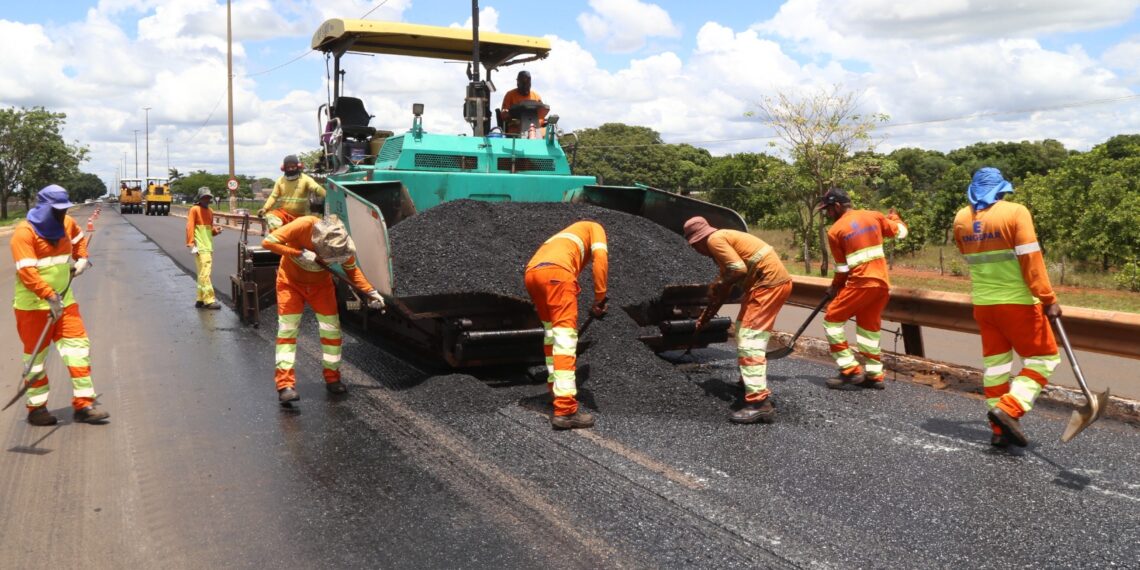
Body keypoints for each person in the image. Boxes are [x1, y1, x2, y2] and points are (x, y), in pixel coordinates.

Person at [953, 167, 1061, 448]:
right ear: (1001, 189)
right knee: (1044, 359)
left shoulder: (961, 217)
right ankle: (1011, 409)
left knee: (996, 367)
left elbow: (966, 254)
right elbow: (1030, 259)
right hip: (1018, 303)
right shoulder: (1016, 212)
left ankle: (998, 431)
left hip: (984, 305)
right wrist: (1048, 298)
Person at [10, 185, 108, 426]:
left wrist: (83, 259)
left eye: (64, 210)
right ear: (43, 208)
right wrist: (48, 296)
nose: (61, 215)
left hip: (65, 303)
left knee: (78, 350)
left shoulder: (67, 224)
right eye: (56, 210)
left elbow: (78, 240)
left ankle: (84, 405)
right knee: (36, 360)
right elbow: (27, 272)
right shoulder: (24, 232)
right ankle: (36, 409)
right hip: (32, 308)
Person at [261, 214, 385, 403]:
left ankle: (333, 378)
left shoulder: (341, 244)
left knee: (332, 331)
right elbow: (268, 242)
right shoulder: (304, 225)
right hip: (290, 284)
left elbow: (352, 271)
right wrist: (298, 253)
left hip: (321, 287)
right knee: (287, 331)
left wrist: (371, 292)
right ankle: (285, 385)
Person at [683, 216, 793, 424]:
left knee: (750, 340)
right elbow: (724, 290)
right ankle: (748, 382)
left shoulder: (715, 240)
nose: (697, 252)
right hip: (767, 284)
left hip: (768, 284)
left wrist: (718, 284)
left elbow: (737, 271)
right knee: (745, 329)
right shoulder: (724, 242)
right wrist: (706, 316)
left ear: (697, 241)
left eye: (694, 247)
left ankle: (759, 403)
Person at [816, 187, 908, 390]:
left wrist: (834, 288)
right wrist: (895, 218)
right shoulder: (874, 216)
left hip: (860, 283)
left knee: (831, 321)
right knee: (869, 329)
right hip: (881, 285)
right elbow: (901, 233)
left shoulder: (835, 231)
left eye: (828, 210)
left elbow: (842, 269)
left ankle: (849, 370)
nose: (828, 214)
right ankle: (874, 374)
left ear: (838, 206)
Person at [524, 220, 608, 430]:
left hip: (533, 275)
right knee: (565, 341)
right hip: (557, 276)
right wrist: (600, 297)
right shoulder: (595, 228)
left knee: (552, 336)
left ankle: (556, 391)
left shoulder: (565, 237)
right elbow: (601, 258)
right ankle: (565, 410)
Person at [257, 155, 326, 231]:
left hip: (301, 217)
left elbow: (317, 188)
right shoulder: (280, 181)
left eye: (293, 167)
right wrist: (265, 208)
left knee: (296, 237)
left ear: (298, 167)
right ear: (284, 168)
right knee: (271, 217)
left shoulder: (305, 179)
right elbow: (273, 196)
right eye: (288, 167)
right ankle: (278, 238)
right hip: (285, 214)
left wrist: (328, 196)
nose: (290, 169)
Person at [186, 186, 224, 310]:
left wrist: (216, 231)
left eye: (208, 197)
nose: (207, 199)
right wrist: (191, 244)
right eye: (204, 197)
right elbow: (190, 227)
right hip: (200, 247)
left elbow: (209, 230)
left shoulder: (210, 211)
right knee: (205, 273)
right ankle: (209, 300)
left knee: (202, 273)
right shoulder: (194, 209)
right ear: (200, 198)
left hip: (208, 246)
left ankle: (200, 299)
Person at [499, 70, 547, 136]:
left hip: (535, 129)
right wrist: (510, 115)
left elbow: (542, 115)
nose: (526, 86)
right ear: (518, 82)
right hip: (516, 130)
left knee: (550, 130)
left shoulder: (536, 96)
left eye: (528, 83)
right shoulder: (510, 95)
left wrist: (536, 124)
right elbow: (504, 114)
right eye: (523, 83)